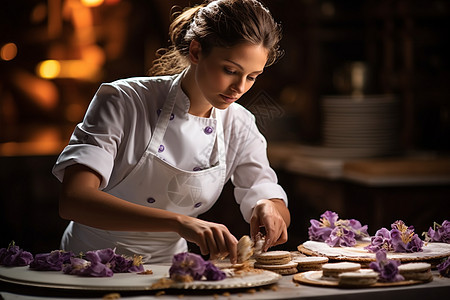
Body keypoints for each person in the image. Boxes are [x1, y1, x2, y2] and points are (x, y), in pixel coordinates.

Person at [53, 0, 290, 264]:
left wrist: (270, 207)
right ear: (196, 51)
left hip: (172, 269)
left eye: (252, 76)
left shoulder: (239, 124)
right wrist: (180, 222)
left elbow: (264, 189)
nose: (239, 88)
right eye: (230, 71)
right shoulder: (124, 100)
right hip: (89, 265)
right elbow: (74, 199)